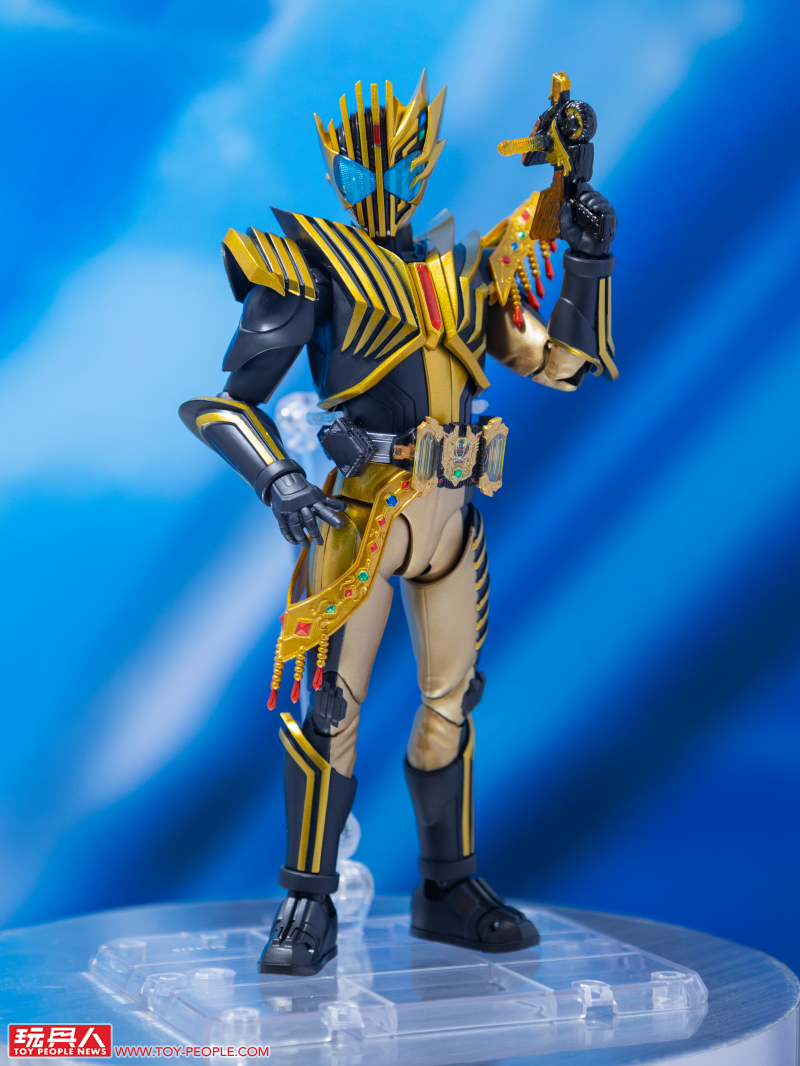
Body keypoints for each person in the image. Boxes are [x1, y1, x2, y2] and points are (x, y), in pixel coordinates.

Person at [180, 71, 617, 976]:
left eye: (399, 164)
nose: (380, 183)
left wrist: (587, 261)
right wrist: (280, 479)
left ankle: (447, 887)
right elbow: (221, 405)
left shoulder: (467, 270)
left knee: (453, 700)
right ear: (335, 170)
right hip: (359, 518)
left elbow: (565, 366)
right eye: (360, 167)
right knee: (330, 706)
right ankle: (307, 902)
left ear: (426, 162)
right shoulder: (305, 262)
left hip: (452, 516)